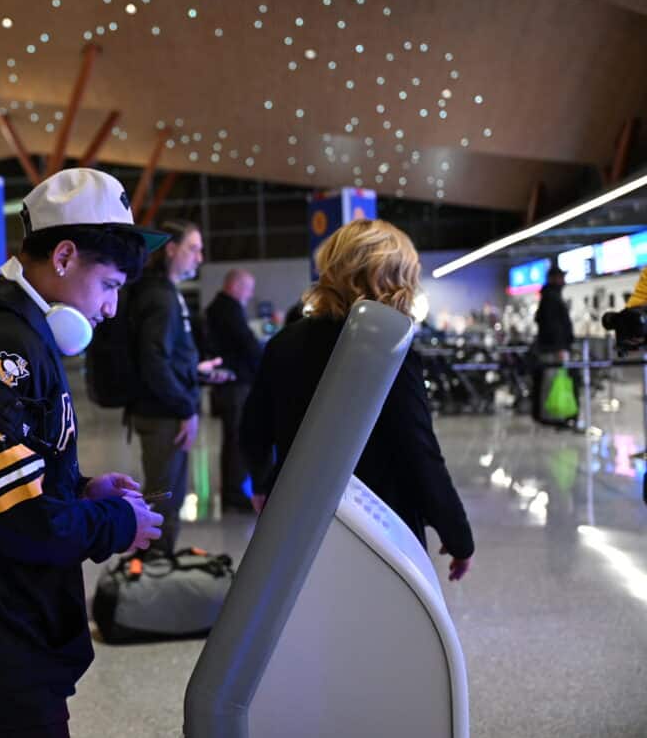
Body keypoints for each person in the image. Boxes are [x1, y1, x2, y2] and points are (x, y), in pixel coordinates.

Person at [0, 168, 167, 738]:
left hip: (3, 630)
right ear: (64, 256)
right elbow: (2, 513)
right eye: (110, 286)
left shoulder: (17, 333)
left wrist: (83, 487)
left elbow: (14, 472)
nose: (112, 310)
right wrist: (114, 523)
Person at [240, 218, 474, 582]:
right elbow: (418, 449)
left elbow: (254, 429)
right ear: (394, 277)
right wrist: (457, 534)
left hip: (300, 522)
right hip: (381, 527)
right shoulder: (389, 349)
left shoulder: (283, 344)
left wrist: (262, 485)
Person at [126, 220, 225, 555]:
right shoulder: (161, 298)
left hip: (165, 410)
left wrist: (193, 371)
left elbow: (163, 357)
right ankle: (153, 571)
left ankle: (155, 565)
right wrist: (185, 408)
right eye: (193, 248)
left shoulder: (165, 294)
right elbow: (153, 362)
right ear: (171, 250)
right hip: (164, 415)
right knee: (164, 497)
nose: (199, 257)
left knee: (166, 495)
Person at [205, 269, 264, 511]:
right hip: (235, 385)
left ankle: (232, 491)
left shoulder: (219, 307)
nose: (250, 294)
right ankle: (235, 494)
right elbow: (247, 343)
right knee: (237, 440)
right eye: (248, 288)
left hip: (229, 383)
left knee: (232, 440)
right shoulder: (227, 309)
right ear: (236, 286)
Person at [530, 265, 574, 424]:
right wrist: (560, 347)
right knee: (551, 381)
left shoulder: (549, 296)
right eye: (561, 277)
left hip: (551, 347)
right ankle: (551, 415)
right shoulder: (551, 297)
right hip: (553, 349)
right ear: (553, 278)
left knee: (552, 381)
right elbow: (553, 325)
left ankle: (552, 413)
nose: (564, 280)